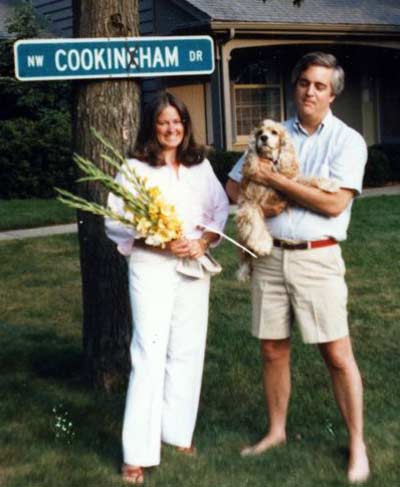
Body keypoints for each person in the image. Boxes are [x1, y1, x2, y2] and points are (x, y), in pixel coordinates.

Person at [226, 52, 370, 484]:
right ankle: (276, 432)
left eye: (320, 85)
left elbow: (333, 202)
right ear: (296, 86)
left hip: (317, 256)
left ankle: (357, 445)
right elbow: (235, 186)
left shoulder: (347, 140)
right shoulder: (269, 132)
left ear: (333, 93)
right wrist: (252, 201)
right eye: (305, 82)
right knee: (272, 348)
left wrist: (274, 183)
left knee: (337, 354)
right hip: (268, 255)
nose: (310, 91)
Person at [105, 92, 229, 484]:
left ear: (186, 126)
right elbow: (115, 221)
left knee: (188, 349)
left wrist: (202, 242)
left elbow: (219, 210)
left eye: (177, 122)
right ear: (151, 127)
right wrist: (157, 241)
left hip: (192, 264)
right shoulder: (134, 169)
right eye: (163, 122)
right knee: (149, 352)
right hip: (151, 267)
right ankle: (137, 453)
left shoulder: (199, 165)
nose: (171, 129)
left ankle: (177, 432)